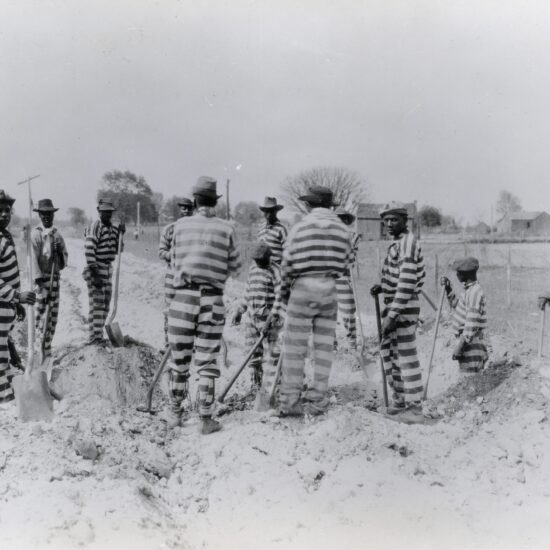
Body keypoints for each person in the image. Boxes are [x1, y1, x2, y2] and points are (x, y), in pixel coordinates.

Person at [166, 177, 241, 434]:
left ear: (195, 201)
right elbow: (235, 267)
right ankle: (206, 419)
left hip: (182, 298)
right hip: (212, 299)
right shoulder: (227, 228)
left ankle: (175, 414)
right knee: (207, 362)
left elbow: (173, 262)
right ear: (215, 202)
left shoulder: (179, 226)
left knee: (179, 360)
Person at [268, 185, 352, 417]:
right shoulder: (343, 230)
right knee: (324, 348)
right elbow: (345, 264)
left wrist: (283, 295)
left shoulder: (299, 228)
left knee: (295, 348)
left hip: (303, 287)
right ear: (329, 205)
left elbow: (287, 266)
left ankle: (290, 401)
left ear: (308, 204)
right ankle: (317, 400)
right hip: (329, 289)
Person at [370, 202, 425, 414]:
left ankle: (414, 406)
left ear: (405, 221)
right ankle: (400, 400)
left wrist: (392, 314)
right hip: (395, 305)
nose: (389, 224)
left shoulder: (408, 243)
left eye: (394, 220)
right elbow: (397, 276)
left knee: (405, 356)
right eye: (386, 221)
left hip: (403, 308)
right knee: (390, 353)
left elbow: (407, 282)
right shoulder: (397, 244)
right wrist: (383, 287)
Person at [0, 190, 36, 403]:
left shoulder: (5, 237)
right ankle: (3, 397)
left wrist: (16, 303)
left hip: (6, 305)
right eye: (0, 211)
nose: (5, 215)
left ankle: (5, 392)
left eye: (7, 211)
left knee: (4, 347)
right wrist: (17, 296)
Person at [231, 243, 281, 396]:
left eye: (261, 260)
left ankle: (277, 387)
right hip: (252, 319)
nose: (259, 263)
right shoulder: (253, 270)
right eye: (256, 260)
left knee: (274, 354)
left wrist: (271, 318)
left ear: (268, 258)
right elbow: (247, 293)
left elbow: (281, 297)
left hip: (270, 320)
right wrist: (239, 310)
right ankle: (255, 386)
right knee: (252, 355)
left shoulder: (275, 271)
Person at [31, 199, 68, 365]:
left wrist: (58, 251)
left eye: (49, 214)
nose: (47, 217)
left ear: (53, 215)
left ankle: (47, 350)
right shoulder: (36, 234)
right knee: (40, 317)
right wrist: (39, 284)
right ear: (39, 215)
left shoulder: (57, 235)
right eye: (43, 214)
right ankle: (37, 354)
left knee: (52, 317)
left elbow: (63, 262)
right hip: (41, 281)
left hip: (55, 280)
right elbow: (33, 260)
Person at [83, 199, 125, 345]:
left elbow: (117, 250)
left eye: (109, 212)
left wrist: (121, 235)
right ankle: (94, 337)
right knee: (97, 305)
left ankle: (99, 334)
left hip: (108, 269)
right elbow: (89, 249)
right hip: (96, 268)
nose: (107, 214)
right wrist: (95, 273)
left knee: (106, 305)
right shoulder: (96, 226)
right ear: (99, 211)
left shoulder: (113, 229)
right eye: (104, 211)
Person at [440, 257, 488, 373]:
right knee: (467, 382)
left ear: (464, 274)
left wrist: (459, 347)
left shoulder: (475, 292)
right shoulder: (469, 291)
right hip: (468, 343)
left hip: (472, 345)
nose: (457, 275)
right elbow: (457, 307)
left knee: (471, 381)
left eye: (458, 272)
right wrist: (448, 288)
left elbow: (471, 324)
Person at [158, 197, 194, 347]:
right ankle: (168, 343)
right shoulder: (170, 229)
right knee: (170, 309)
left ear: (193, 210)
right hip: (172, 275)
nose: (186, 211)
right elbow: (161, 252)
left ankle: (186, 345)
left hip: (190, 276)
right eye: (183, 208)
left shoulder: (197, 230)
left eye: (188, 208)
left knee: (189, 310)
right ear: (179, 210)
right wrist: (173, 255)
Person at [334, 209, 361, 349]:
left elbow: (351, 259)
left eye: (342, 219)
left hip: (343, 277)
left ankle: (352, 345)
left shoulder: (353, 236)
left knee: (348, 312)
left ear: (346, 221)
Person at [257, 197, 287, 265]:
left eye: (271, 211)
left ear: (276, 212)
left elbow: (287, 252)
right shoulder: (260, 228)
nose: (269, 214)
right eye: (266, 211)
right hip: (263, 269)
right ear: (263, 212)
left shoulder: (281, 229)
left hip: (277, 269)